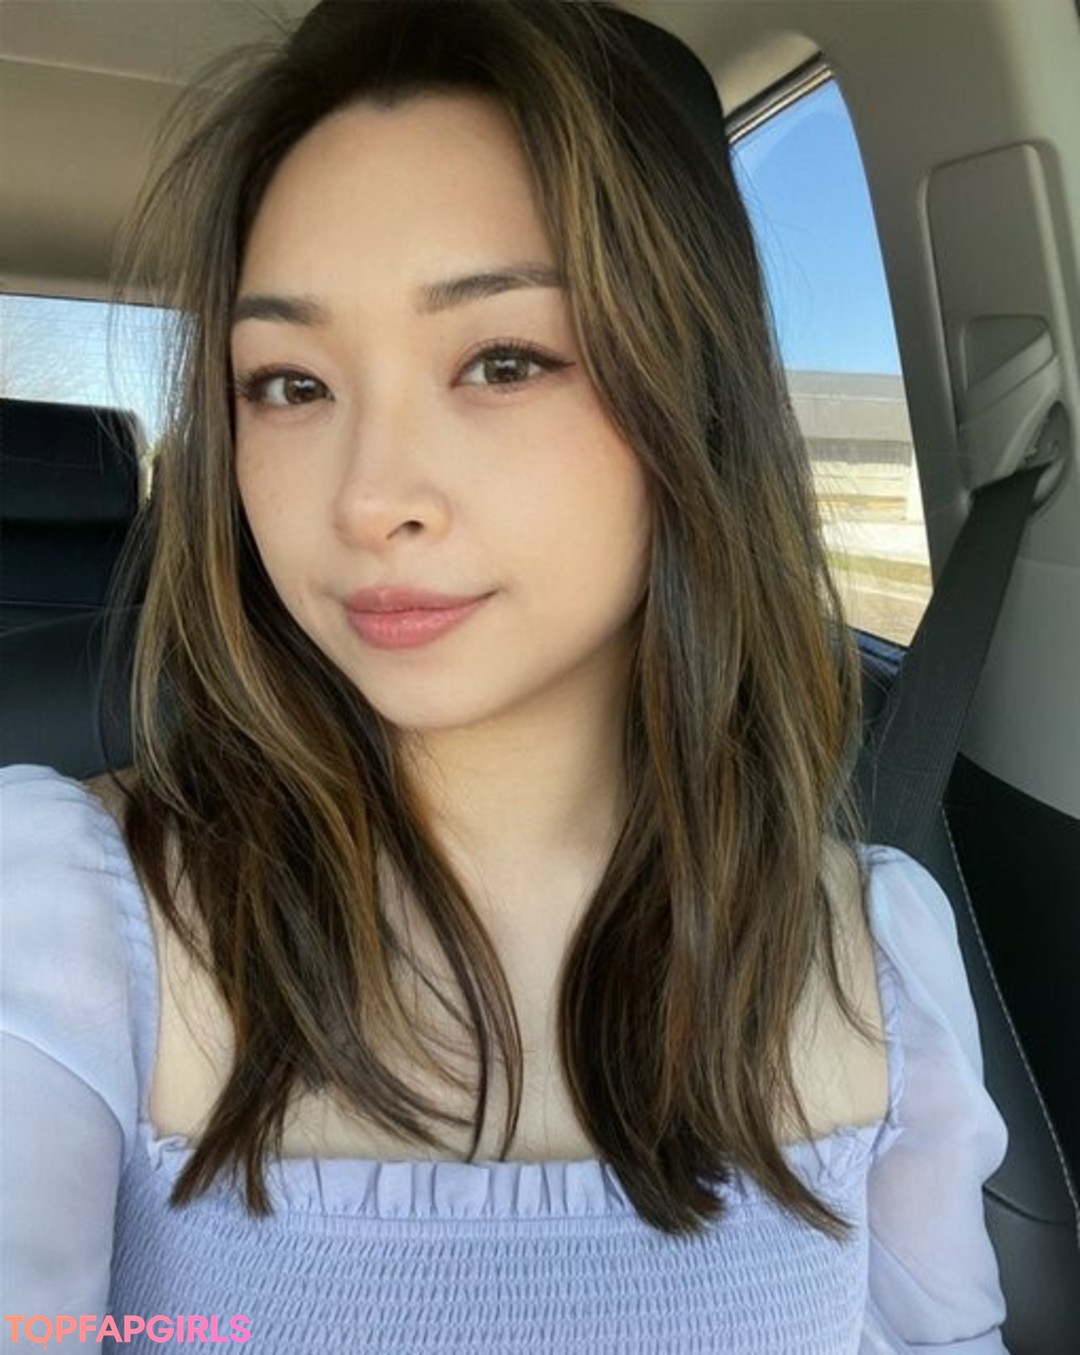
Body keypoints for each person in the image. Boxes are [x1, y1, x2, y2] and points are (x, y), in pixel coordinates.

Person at [0, 1, 1009, 1350]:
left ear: (695, 398)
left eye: (502, 361)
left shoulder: (874, 957)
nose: (369, 500)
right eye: (289, 383)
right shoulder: (66, 923)